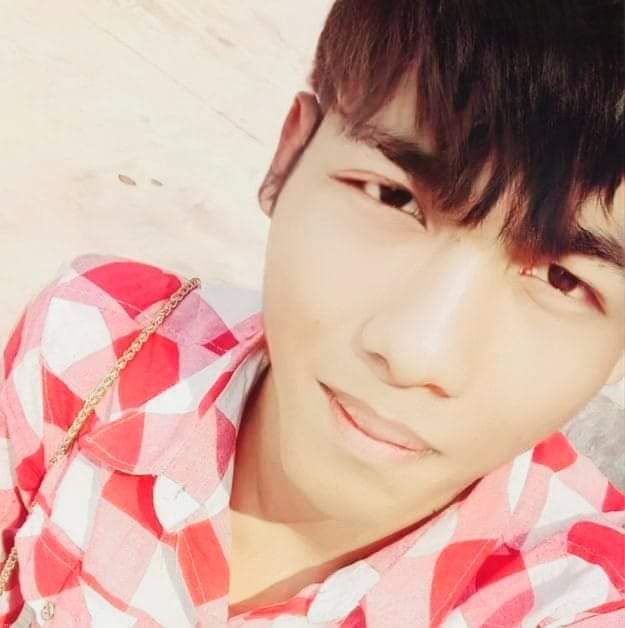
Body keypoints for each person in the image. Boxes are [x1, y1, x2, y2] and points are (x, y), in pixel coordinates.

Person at [1, 0, 623, 625]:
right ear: (288, 157)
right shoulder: (90, 341)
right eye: (393, 196)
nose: (416, 352)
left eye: (562, 279)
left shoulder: (576, 597)